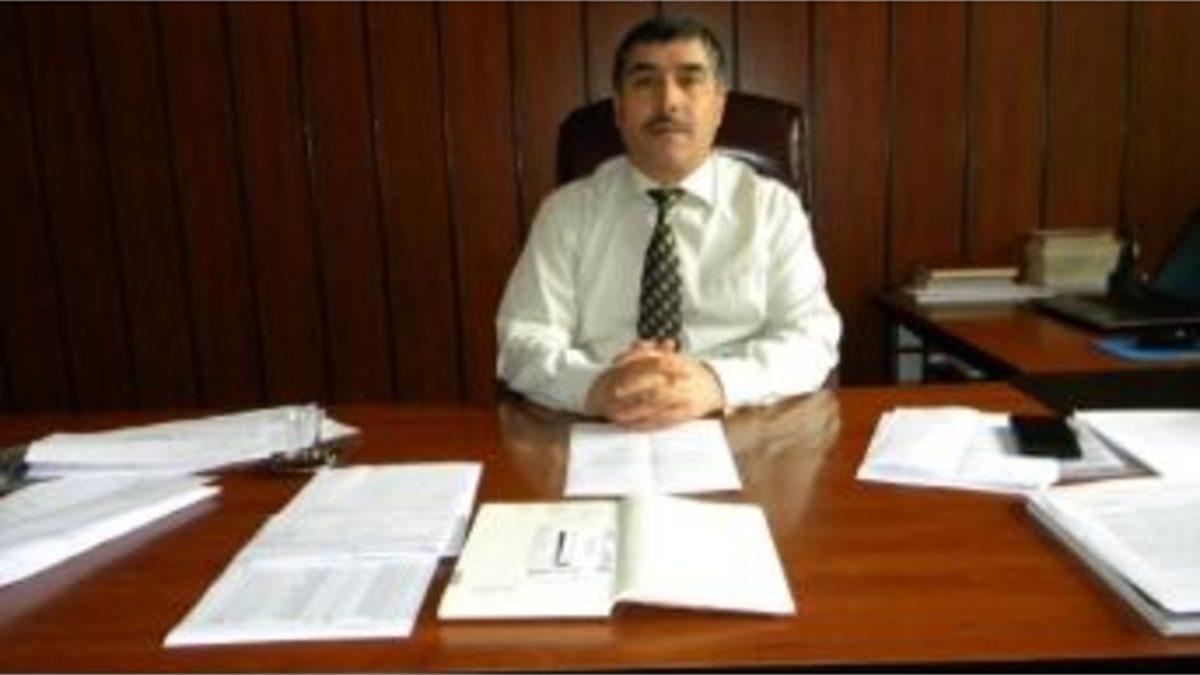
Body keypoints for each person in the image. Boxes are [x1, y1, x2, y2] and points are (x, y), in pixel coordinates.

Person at [496, 15, 841, 429]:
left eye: (690, 80)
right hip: (602, 427)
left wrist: (715, 383)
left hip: (741, 423)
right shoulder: (566, 213)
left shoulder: (771, 209)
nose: (668, 102)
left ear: (719, 105)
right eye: (645, 82)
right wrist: (595, 386)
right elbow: (522, 340)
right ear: (619, 109)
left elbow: (812, 336)